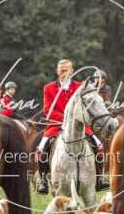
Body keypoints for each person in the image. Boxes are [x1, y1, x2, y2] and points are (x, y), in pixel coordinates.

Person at [36, 59, 103, 194]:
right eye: (61, 71)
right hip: (56, 125)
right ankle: (43, 180)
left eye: (66, 70)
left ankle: (100, 178)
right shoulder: (49, 88)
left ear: (72, 71)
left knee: (99, 145)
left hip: (78, 125)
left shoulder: (80, 87)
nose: (63, 73)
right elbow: (48, 110)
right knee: (42, 148)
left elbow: (86, 105)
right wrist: (65, 119)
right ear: (57, 72)